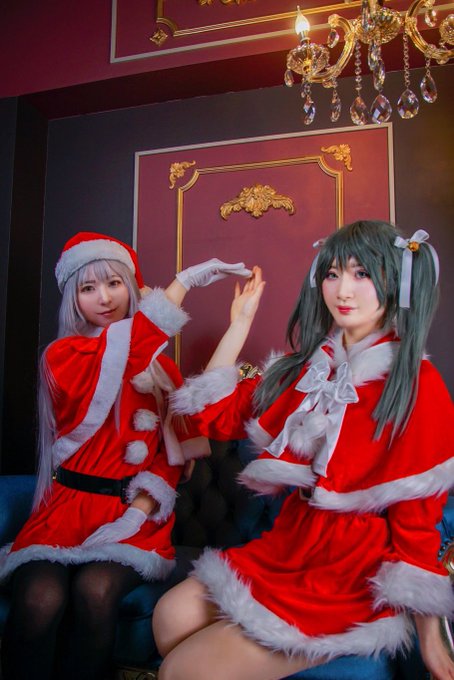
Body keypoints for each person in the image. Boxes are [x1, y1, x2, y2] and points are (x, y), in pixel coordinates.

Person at [153, 220, 454, 680]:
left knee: (181, 670)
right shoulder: (309, 369)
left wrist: (431, 634)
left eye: (361, 273)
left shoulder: (417, 383)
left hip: (351, 571)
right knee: (169, 617)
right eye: (332, 274)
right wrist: (240, 323)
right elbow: (209, 415)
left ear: (395, 281)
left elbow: (418, 516)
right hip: (290, 544)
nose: (342, 290)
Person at [0, 231, 251, 680]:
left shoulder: (162, 370)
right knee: (39, 597)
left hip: (135, 518)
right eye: (88, 287)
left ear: (132, 288)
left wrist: (141, 508)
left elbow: (177, 451)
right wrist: (182, 283)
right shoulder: (65, 356)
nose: (104, 298)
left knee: (96, 590)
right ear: (73, 300)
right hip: (64, 513)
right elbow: (124, 354)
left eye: (114, 283)